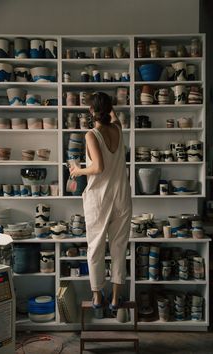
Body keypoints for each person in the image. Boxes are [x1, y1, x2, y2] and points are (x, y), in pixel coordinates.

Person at [69, 92, 132, 310]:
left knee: (95, 247)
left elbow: (98, 167)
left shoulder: (92, 134)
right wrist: (108, 107)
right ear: (109, 110)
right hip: (122, 196)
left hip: (100, 198)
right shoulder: (117, 129)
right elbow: (114, 118)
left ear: (91, 111)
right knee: (118, 248)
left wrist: (78, 170)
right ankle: (115, 298)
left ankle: (97, 296)